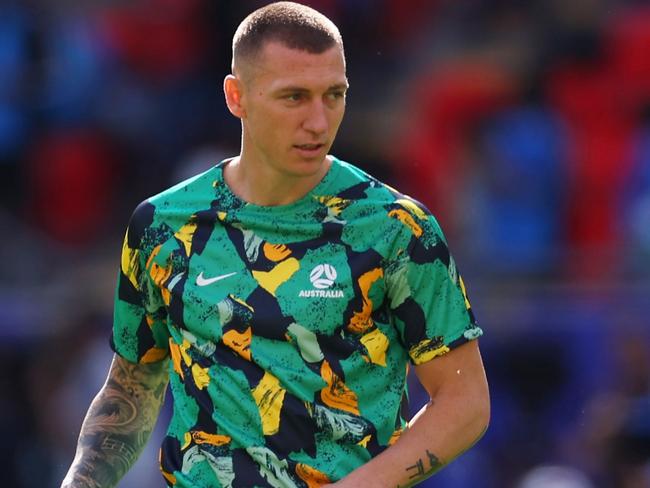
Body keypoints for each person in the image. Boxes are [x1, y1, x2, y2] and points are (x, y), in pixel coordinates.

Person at [61, 2, 489, 487]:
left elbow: (465, 402)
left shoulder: (397, 229)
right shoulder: (161, 226)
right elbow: (133, 385)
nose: (319, 121)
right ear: (236, 96)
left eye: (334, 95)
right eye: (294, 98)